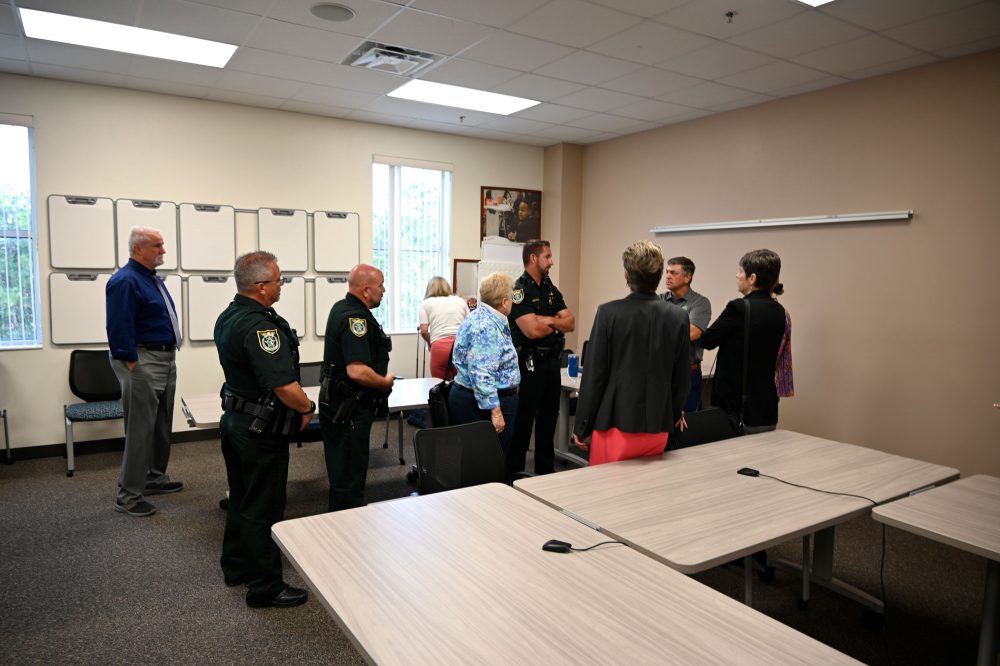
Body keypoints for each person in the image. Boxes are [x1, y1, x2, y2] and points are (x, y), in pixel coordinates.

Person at [214, 251, 313, 608]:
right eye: (278, 280)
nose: (281, 285)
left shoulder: (229, 316)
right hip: (260, 429)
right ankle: (265, 588)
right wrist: (308, 407)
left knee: (241, 497)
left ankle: (237, 566)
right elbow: (284, 386)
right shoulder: (261, 327)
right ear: (260, 286)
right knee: (264, 505)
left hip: (236, 421)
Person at [572, 242, 690, 464]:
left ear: (627, 275)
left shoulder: (608, 313)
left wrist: (581, 426)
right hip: (657, 427)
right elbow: (681, 378)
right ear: (658, 275)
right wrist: (672, 415)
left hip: (614, 423)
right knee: (647, 494)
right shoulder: (678, 317)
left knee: (608, 492)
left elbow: (594, 376)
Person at [106, 226, 183, 518]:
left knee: (161, 423)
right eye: (157, 245)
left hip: (163, 357)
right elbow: (118, 323)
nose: (163, 250)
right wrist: (130, 360)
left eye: (162, 245)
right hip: (141, 359)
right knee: (140, 429)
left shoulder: (149, 279)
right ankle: (127, 496)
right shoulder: (125, 281)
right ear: (138, 249)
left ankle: (153, 477)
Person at [320, 264, 394, 512]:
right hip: (349, 408)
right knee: (350, 478)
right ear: (365, 289)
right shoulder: (356, 319)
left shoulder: (341, 307)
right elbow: (357, 370)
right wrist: (384, 383)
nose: (384, 290)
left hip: (339, 404)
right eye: (381, 285)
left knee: (342, 474)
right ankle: (345, 536)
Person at [699, 249, 786, 432]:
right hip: (766, 407)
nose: (737, 275)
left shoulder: (738, 307)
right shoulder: (779, 310)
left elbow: (707, 340)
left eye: (740, 271)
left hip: (736, 409)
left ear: (752, 278)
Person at [508, 240, 575, 478]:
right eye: (547, 256)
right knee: (524, 422)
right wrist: (555, 324)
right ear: (533, 258)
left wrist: (546, 320)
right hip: (529, 365)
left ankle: (545, 473)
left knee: (548, 422)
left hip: (551, 364)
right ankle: (514, 474)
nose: (552, 261)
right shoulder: (519, 290)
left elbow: (571, 322)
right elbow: (531, 331)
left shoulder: (549, 287)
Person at [447, 272, 520, 454]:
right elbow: (481, 373)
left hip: (474, 397)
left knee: (475, 458)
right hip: (483, 403)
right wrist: (496, 412)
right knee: (488, 459)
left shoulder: (480, 316)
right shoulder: (487, 326)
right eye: (511, 297)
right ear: (504, 302)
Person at [661, 256, 711, 412]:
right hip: (660, 373)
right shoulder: (658, 300)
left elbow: (691, 333)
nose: (668, 276)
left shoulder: (700, 303)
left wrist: (660, 330)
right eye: (667, 272)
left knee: (687, 423)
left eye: (673, 273)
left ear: (688, 277)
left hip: (687, 373)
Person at [418, 276, 469, 380]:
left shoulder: (426, 303)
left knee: (438, 385)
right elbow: (469, 325)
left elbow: (423, 331)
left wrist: (430, 343)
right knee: (458, 384)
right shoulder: (460, 301)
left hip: (439, 348)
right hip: (459, 346)